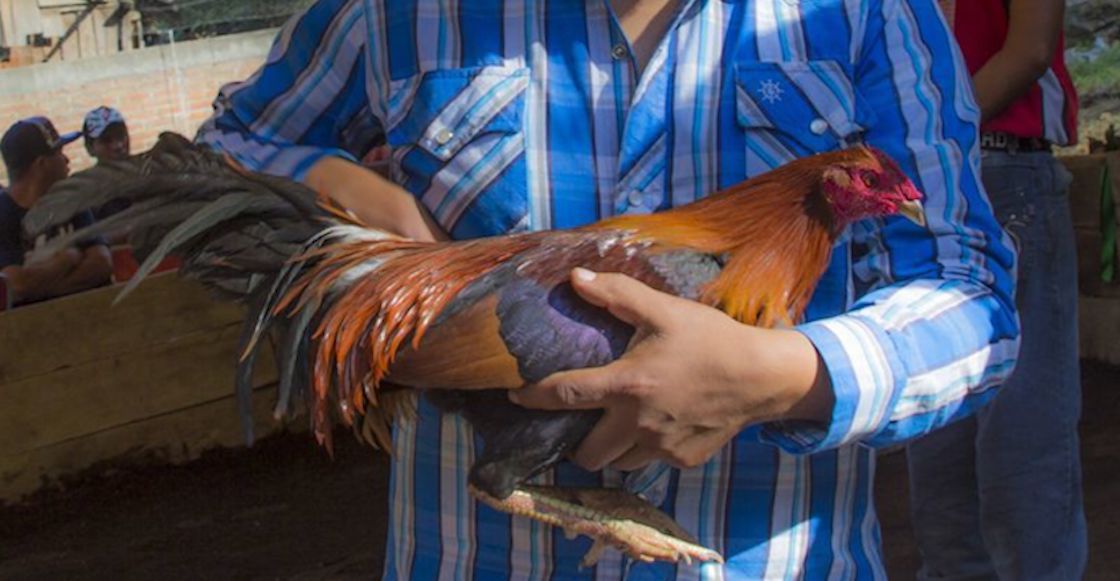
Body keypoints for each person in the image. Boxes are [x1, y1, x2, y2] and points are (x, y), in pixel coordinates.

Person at [196, 0, 1019, 578]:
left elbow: (969, 290)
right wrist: (349, 192)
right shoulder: (396, 12)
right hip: (473, 553)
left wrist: (785, 376)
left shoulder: (867, 11)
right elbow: (229, 145)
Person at [906, 1, 1086, 579]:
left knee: (1003, 421)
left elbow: (1029, 52)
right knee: (945, 416)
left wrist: (930, 134)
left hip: (978, 167)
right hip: (953, 174)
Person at [0, 117, 113, 306]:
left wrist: (39, 291)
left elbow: (102, 263)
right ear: (42, 165)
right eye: (60, 153)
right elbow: (16, 284)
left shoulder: (72, 201)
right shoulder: (3, 214)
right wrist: (67, 259)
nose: (67, 160)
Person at [82, 106, 133, 223]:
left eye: (121, 136)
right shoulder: (87, 192)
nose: (119, 145)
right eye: (107, 140)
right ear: (90, 148)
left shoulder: (147, 173)